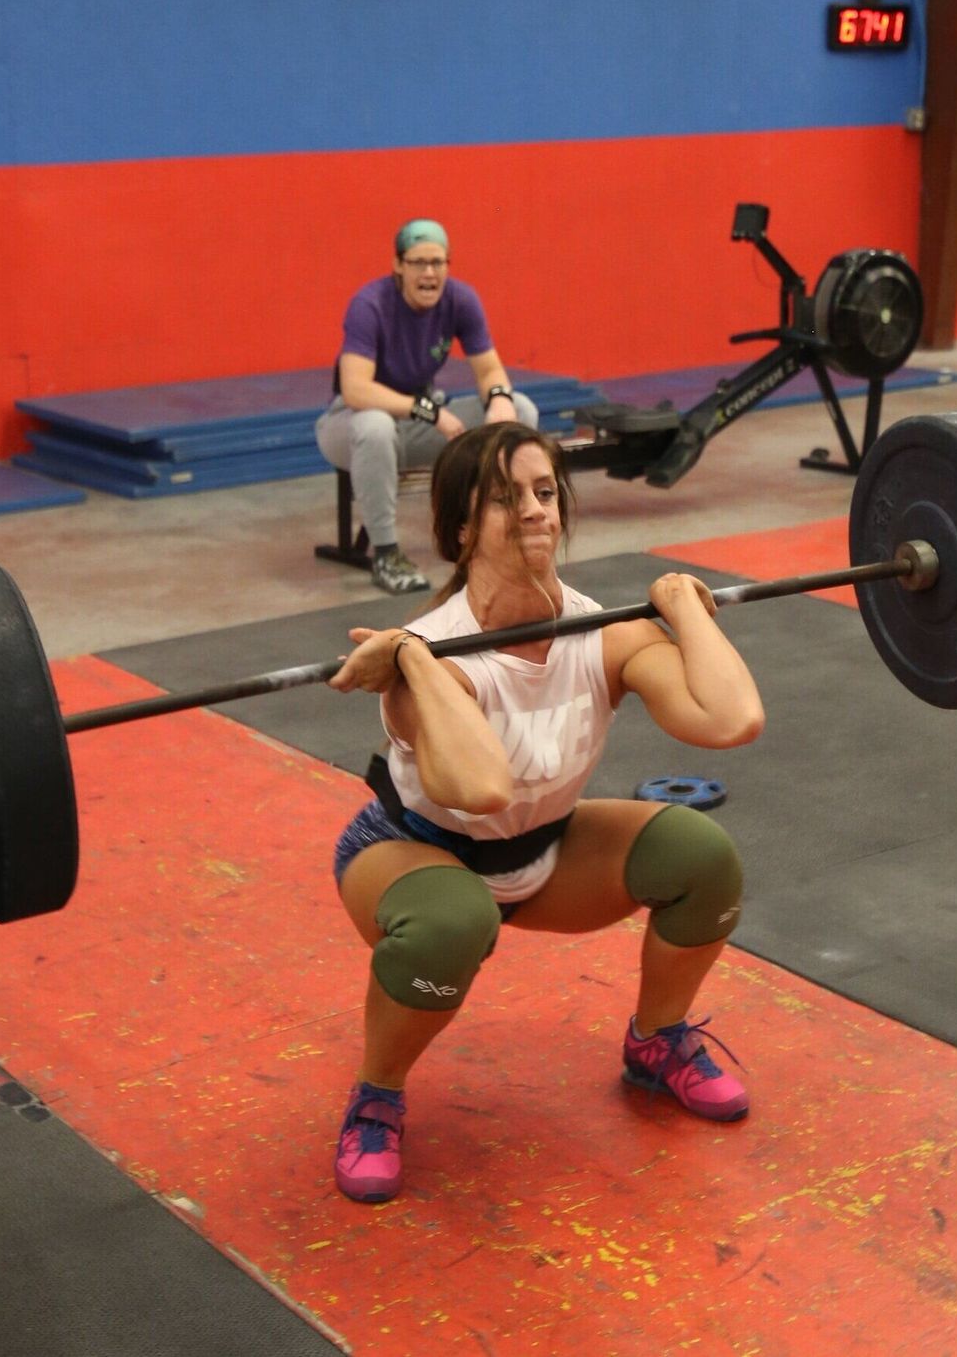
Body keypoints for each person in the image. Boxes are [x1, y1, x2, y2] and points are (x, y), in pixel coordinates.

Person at [323, 421, 765, 1203]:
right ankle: (376, 1094)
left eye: (543, 491)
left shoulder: (600, 632)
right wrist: (415, 662)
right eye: (504, 498)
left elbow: (730, 720)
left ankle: (656, 1040)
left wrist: (680, 605)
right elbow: (479, 787)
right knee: (454, 920)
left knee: (703, 858)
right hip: (417, 854)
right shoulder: (427, 653)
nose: (534, 510)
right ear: (461, 528)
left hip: (545, 853)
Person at [315, 219, 541, 594]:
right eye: (419, 263)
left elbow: (488, 369)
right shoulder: (369, 305)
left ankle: (497, 532)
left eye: (438, 262)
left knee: (522, 411)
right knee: (375, 426)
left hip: (415, 426)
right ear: (399, 265)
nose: (430, 273)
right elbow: (356, 390)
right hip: (349, 425)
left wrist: (499, 400)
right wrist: (431, 412)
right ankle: (386, 554)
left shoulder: (460, 299)